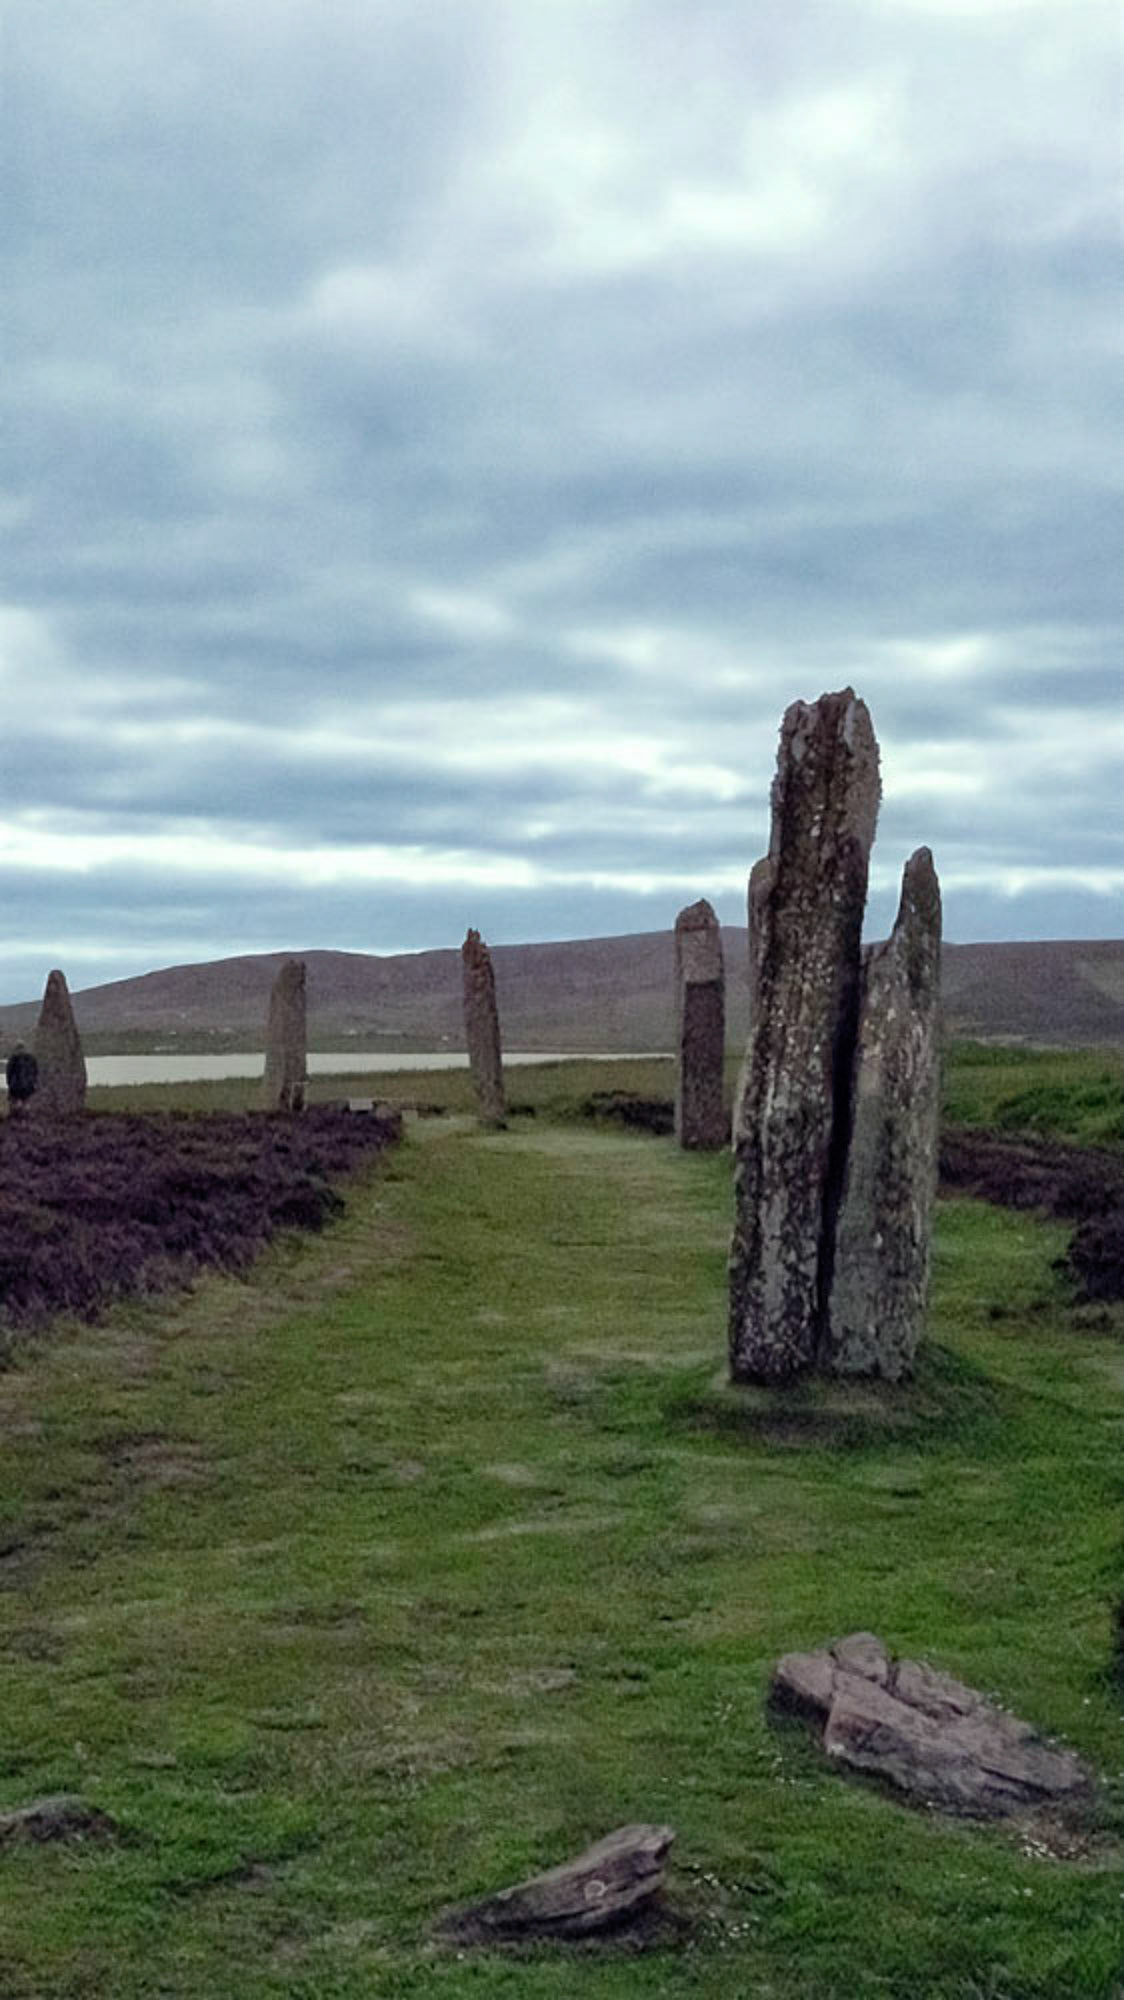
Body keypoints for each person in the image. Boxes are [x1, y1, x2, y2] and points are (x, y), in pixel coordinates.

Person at [5, 1043, 39, 1115]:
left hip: (18, 1085)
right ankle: (23, 1113)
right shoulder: (30, 1058)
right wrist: (34, 1081)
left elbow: (9, 1072)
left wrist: (9, 1082)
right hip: (25, 1084)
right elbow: (35, 1072)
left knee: (19, 1100)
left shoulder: (14, 1059)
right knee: (24, 1101)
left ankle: (20, 1113)